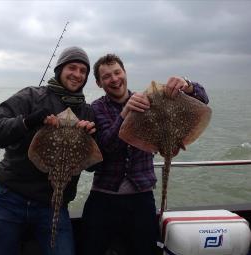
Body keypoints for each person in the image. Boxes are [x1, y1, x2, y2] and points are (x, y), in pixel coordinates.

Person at [82, 53, 209, 255]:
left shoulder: (149, 101)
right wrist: (125, 114)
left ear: (125, 73)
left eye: (117, 72)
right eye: (107, 76)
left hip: (141, 198)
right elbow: (105, 148)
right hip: (103, 198)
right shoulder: (95, 109)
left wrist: (187, 84)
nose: (114, 79)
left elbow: (202, 100)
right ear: (99, 83)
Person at [0, 46, 96, 255]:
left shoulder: (87, 111)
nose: (78, 74)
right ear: (59, 69)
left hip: (54, 202)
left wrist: (90, 138)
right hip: (9, 197)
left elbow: (92, 166)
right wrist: (27, 121)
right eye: (72, 67)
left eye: (83, 71)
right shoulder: (31, 96)